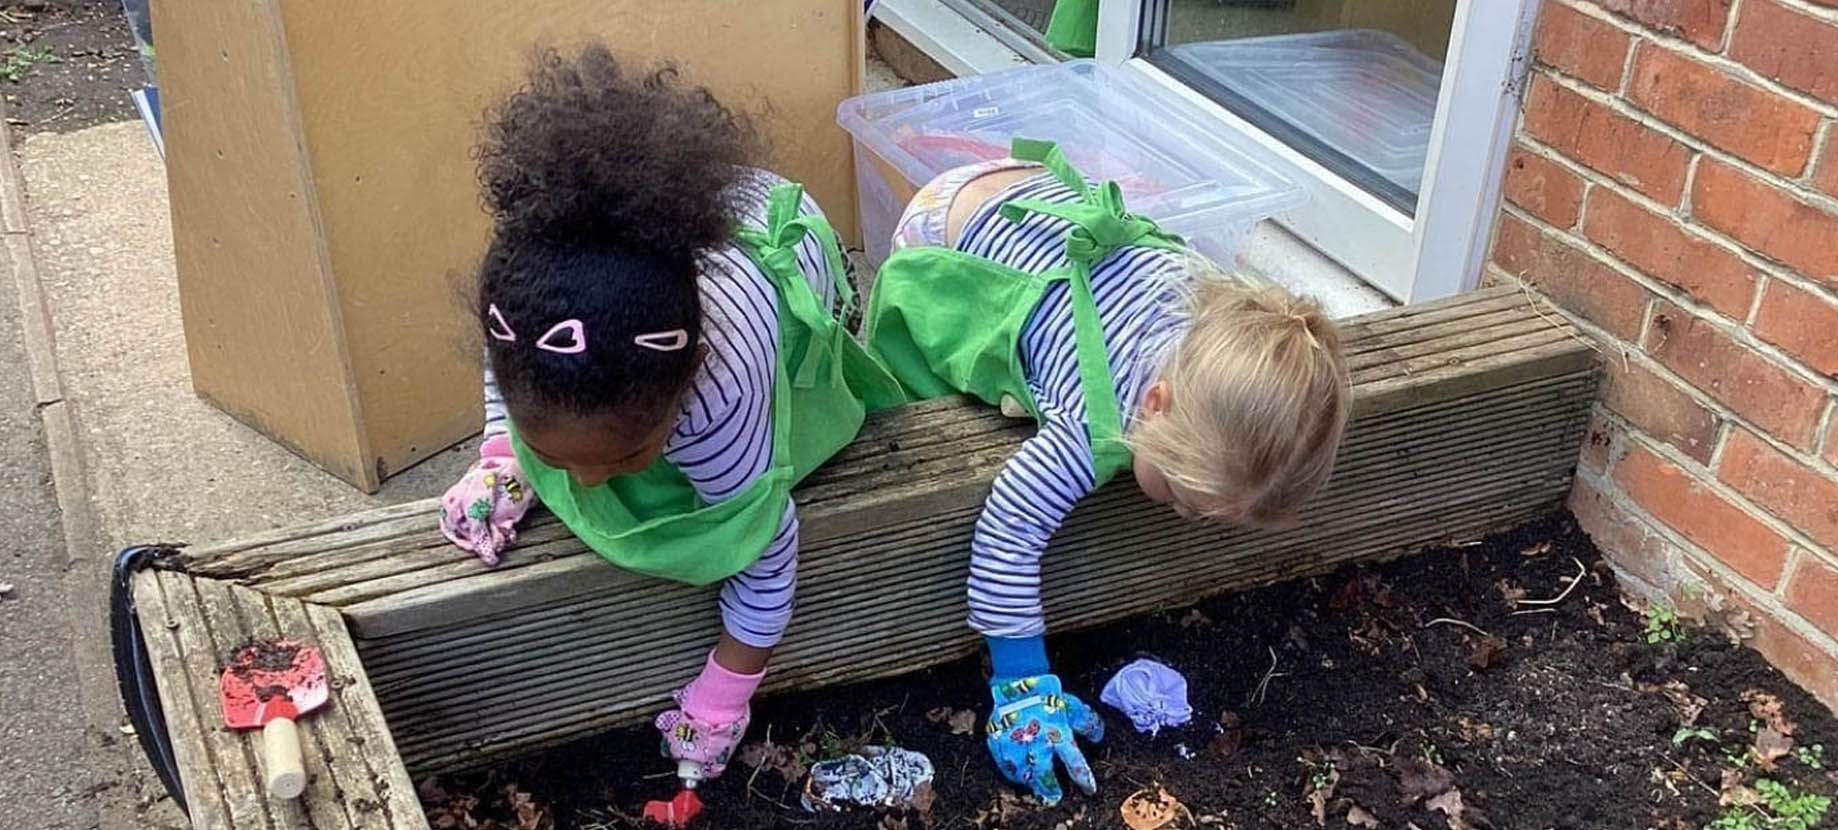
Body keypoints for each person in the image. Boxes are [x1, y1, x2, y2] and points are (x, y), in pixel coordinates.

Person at [437, 44, 902, 782]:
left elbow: (765, 542)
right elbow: (508, 383)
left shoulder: (721, 390)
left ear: (688, 379)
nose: (590, 485)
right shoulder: (521, 337)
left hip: (785, 239)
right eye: (556, 458)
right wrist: (502, 456)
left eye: (624, 457)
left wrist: (725, 689)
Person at [866, 138, 1353, 804]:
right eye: (1183, 497)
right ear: (1152, 406)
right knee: (936, 401)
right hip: (949, 230)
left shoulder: (1231, 323)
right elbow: (1006, 535)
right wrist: (1022, 683)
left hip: (1029, 194)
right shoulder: (1089, 424)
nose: (1185, 518)